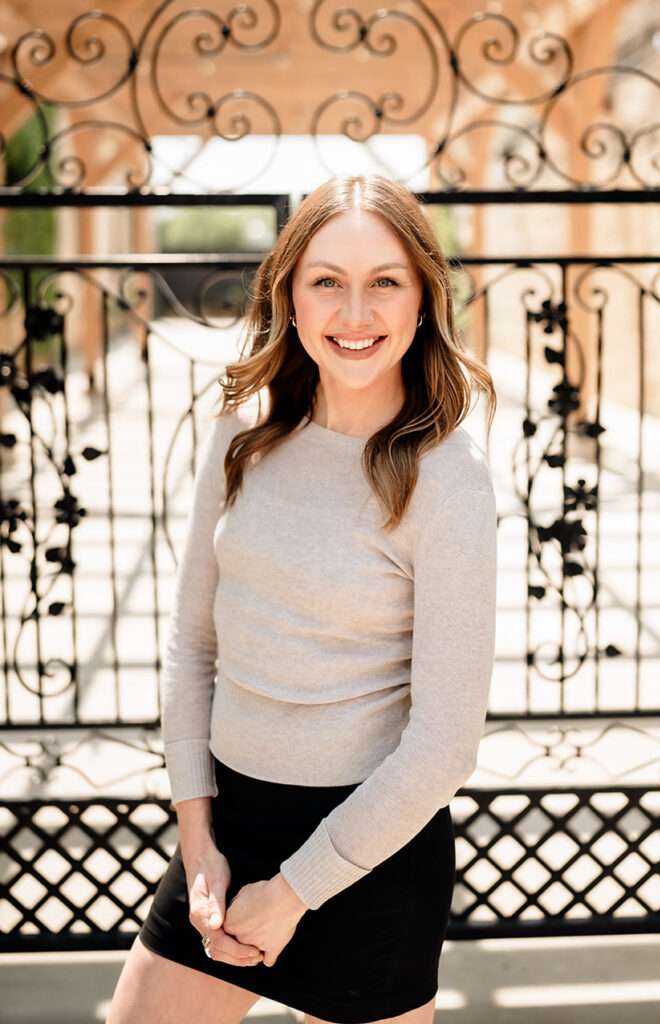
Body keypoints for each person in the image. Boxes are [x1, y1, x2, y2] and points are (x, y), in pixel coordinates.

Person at [107, 173, 497, 1024]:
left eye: (384, 281)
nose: (354, 314)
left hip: (369, 859)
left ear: (425, 298)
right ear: (288, 292)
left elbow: (444, 747)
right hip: (229, 835)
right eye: (326, 280)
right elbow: (192, 644)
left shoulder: (449, 481)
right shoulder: (244, 425)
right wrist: (198, 840)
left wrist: (292, 894)